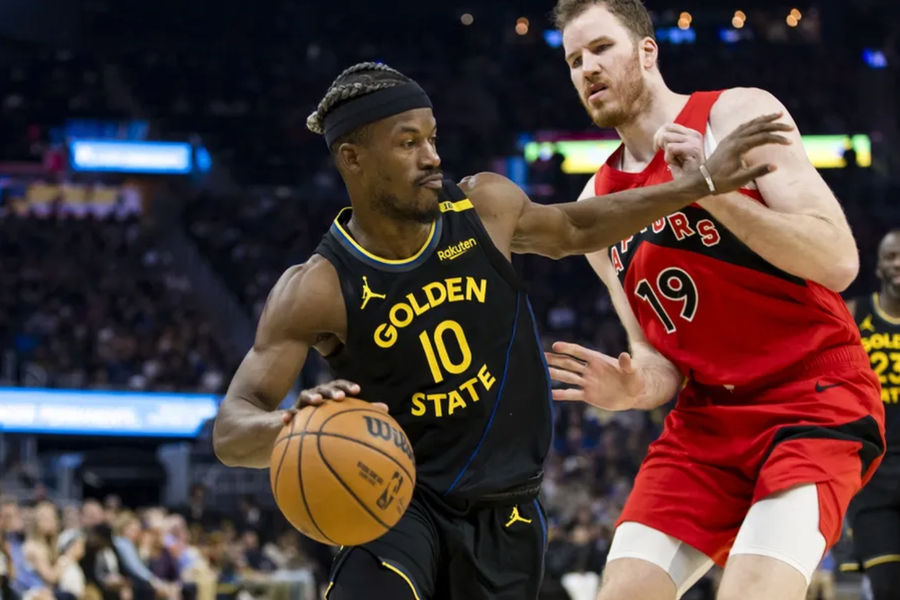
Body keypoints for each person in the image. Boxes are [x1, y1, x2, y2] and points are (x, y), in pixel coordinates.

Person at [212, 61, 789, 600]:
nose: (432, 156)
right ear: (353, 159)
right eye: (408, 143)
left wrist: (695, 186)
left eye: (432, 137)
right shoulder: (317, 287)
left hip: (508, 510)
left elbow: (576, 224)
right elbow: (233, 427)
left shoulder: (483, 207)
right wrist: (290, 426)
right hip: (392, 496)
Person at [545, 2, 885, 600]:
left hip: (812, 396)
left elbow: (838, 260)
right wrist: (632, 389)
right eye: (574, 60)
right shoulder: (595, 204)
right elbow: (655, 360)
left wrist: (710, 191)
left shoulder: (737, 113)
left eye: (601, 49)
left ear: (648, 52)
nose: (587, 69)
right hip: (706, 422)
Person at [843, 230, 900, 599]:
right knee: (885, 587)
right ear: (878, 265)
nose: (898, 264)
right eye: (891, 256)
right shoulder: (852, 314)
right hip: (872, 474)